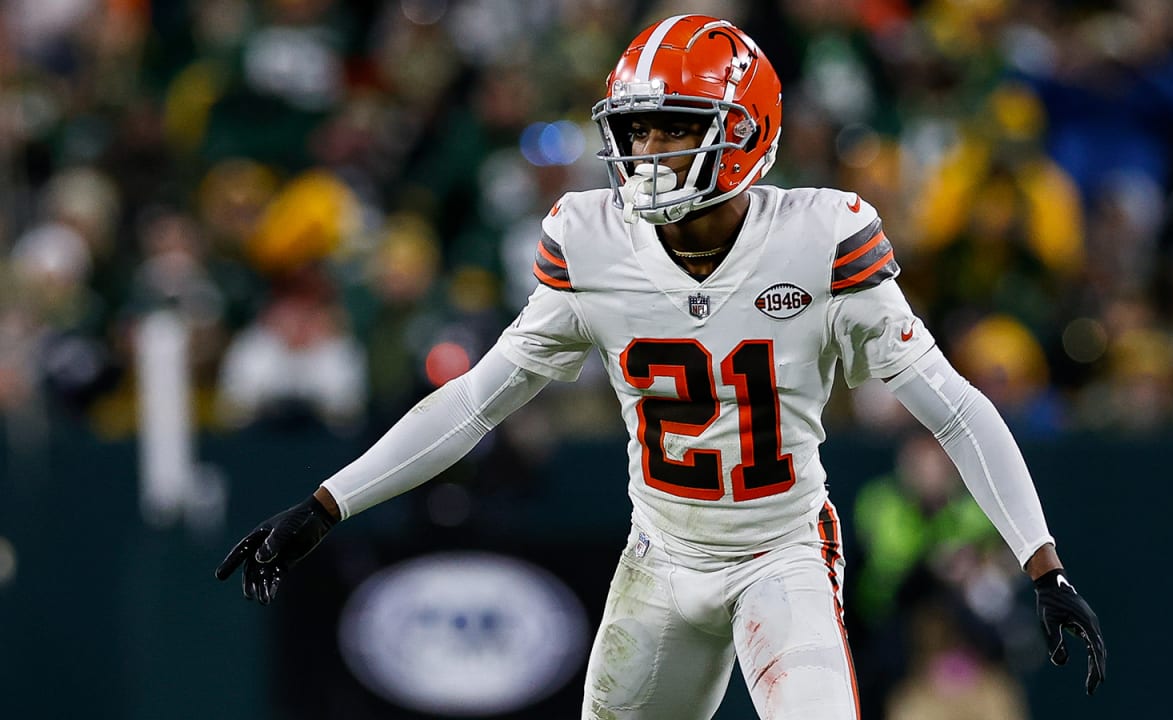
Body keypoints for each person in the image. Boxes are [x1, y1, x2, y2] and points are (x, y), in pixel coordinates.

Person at [215, 14, 1106, 719]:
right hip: (660, 558)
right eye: (636, 132)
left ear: (745, 133)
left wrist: (1042, 564)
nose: (647, 156)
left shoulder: (820, 238)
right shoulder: (590, 241)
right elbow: (478, 400)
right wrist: (326, 504)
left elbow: (950, 406)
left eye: (674, 131)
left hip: (781, 552)